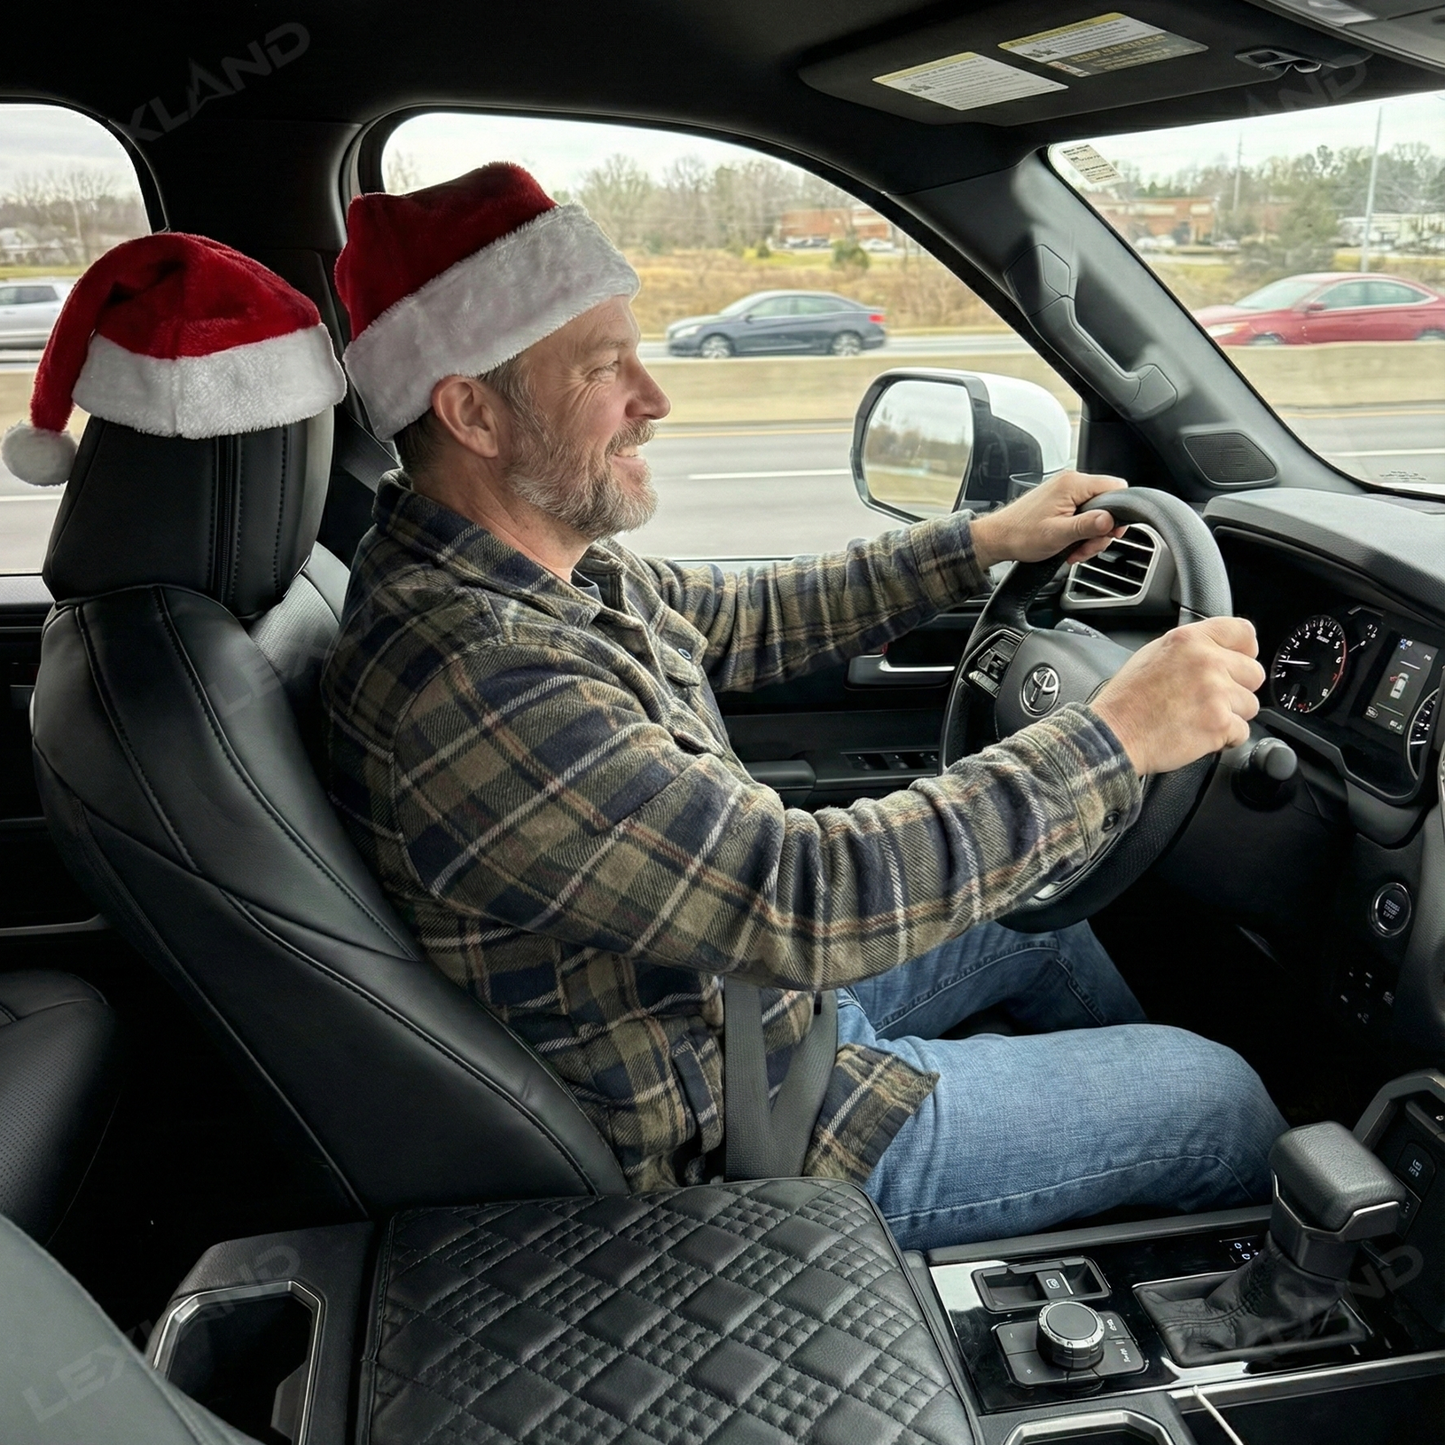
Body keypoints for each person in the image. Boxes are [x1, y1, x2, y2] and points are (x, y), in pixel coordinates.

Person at [321, 164, 1285, 1249]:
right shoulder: (483, 677)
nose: (655, 398)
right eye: (603, 368)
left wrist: (981, 542)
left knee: (1044, 925)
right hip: (749, 1127)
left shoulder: (529, 569)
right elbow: (804, 896)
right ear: (472, 412)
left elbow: (737, 614)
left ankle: (1108, 1219)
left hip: (741, 1009)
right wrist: (1112, 739)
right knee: (1213, 1097)